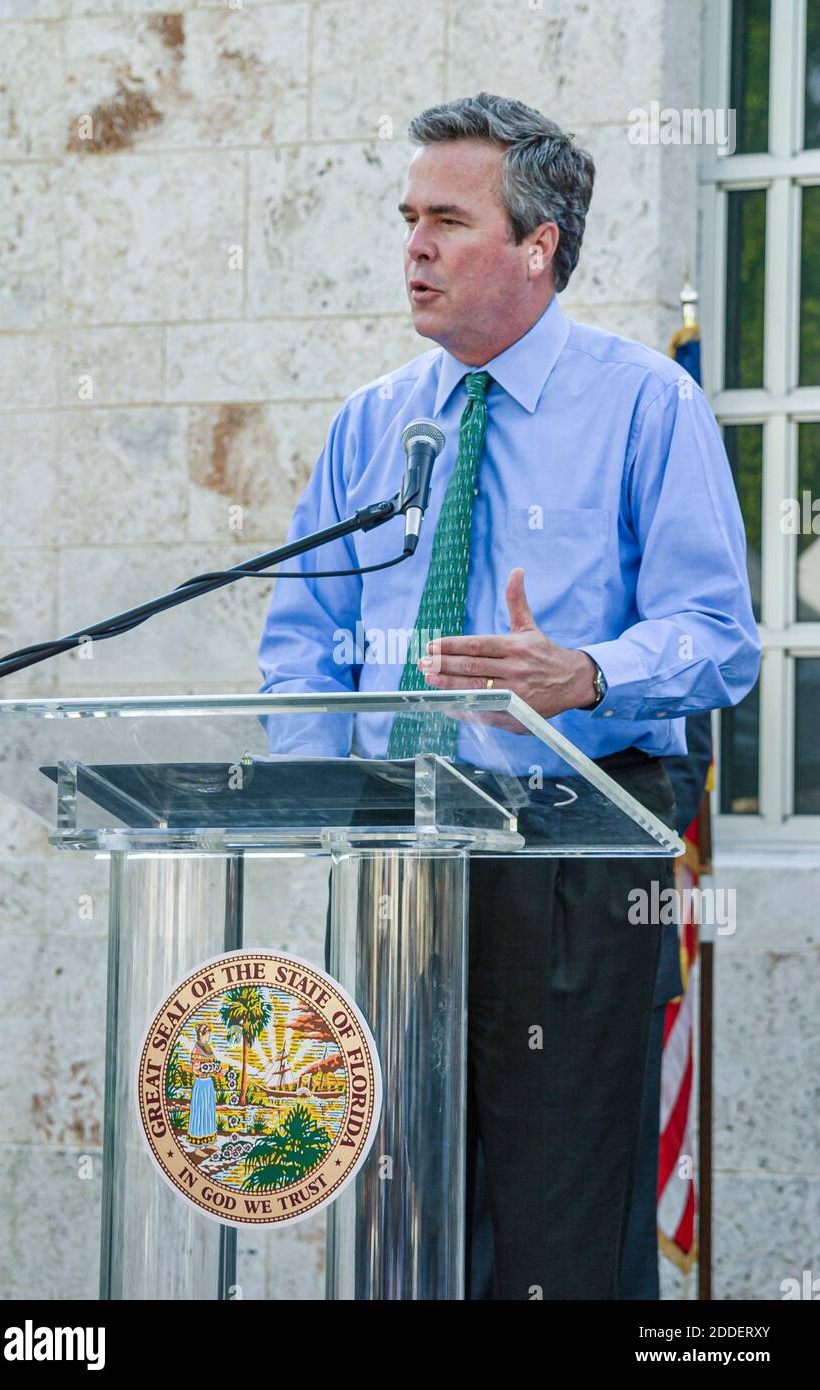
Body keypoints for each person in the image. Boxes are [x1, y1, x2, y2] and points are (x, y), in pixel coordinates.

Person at [257, 93, 760, 1298]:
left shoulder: (647, 403)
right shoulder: (374, 424)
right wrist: (325, 791)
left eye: (447, 219)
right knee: (398, 1222)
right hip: (394, 868)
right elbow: (303, 641)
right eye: (407, 218)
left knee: (559, 1231)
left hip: (571, 859)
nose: (414, 247)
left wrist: (584, 672)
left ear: (537, 246)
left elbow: (718, 634)